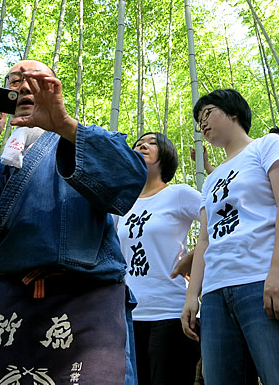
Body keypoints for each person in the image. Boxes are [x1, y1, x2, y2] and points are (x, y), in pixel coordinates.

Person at [0, 60, 148, 384]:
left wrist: (65, 126)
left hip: (86, 301)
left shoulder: (84, 142)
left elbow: (130, 179)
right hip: (12, 299)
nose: (23, 87)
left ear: (55, 90)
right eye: (14, 81)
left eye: (35, 81)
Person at [181, 89, 279, 384]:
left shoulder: (267, 146)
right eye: (198, 120)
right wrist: (193, 296)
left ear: (233, 113)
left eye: (208, 113)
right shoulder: (212, 179)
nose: (202, 123)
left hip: (263, 279)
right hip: (216, 292)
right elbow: (205, 239)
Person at [116, 131, 201, 385]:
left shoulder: (178, 194)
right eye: (139, 143)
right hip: (128, 315)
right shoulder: (123, 203)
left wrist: (193, 256)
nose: (143, 144)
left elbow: (222, 218)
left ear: (166, 154)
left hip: (171, 313)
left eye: (152, 142)